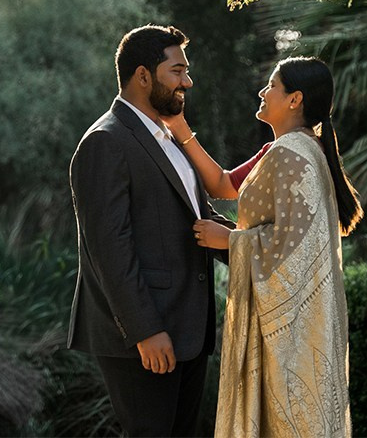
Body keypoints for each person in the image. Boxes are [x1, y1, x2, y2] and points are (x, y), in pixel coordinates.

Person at [165, 57, 361, 437]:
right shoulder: (289, 150)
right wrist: (179, 127)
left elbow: (296, 249)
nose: (262, 91)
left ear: (294, 99)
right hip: (306, 324)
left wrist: (231, 241)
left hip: (293, 331)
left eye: (271, 85)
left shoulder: (292, 154)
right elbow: (222, 186)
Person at [68, 25, 235, 437]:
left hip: (189, 330)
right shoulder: (105, 142)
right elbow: (109, 249)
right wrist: (145, 330)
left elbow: (200, 220)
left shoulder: (166, 137)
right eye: (177, 71)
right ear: (143, 75)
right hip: (146, 335)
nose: (187, 82)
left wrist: (263, 247)